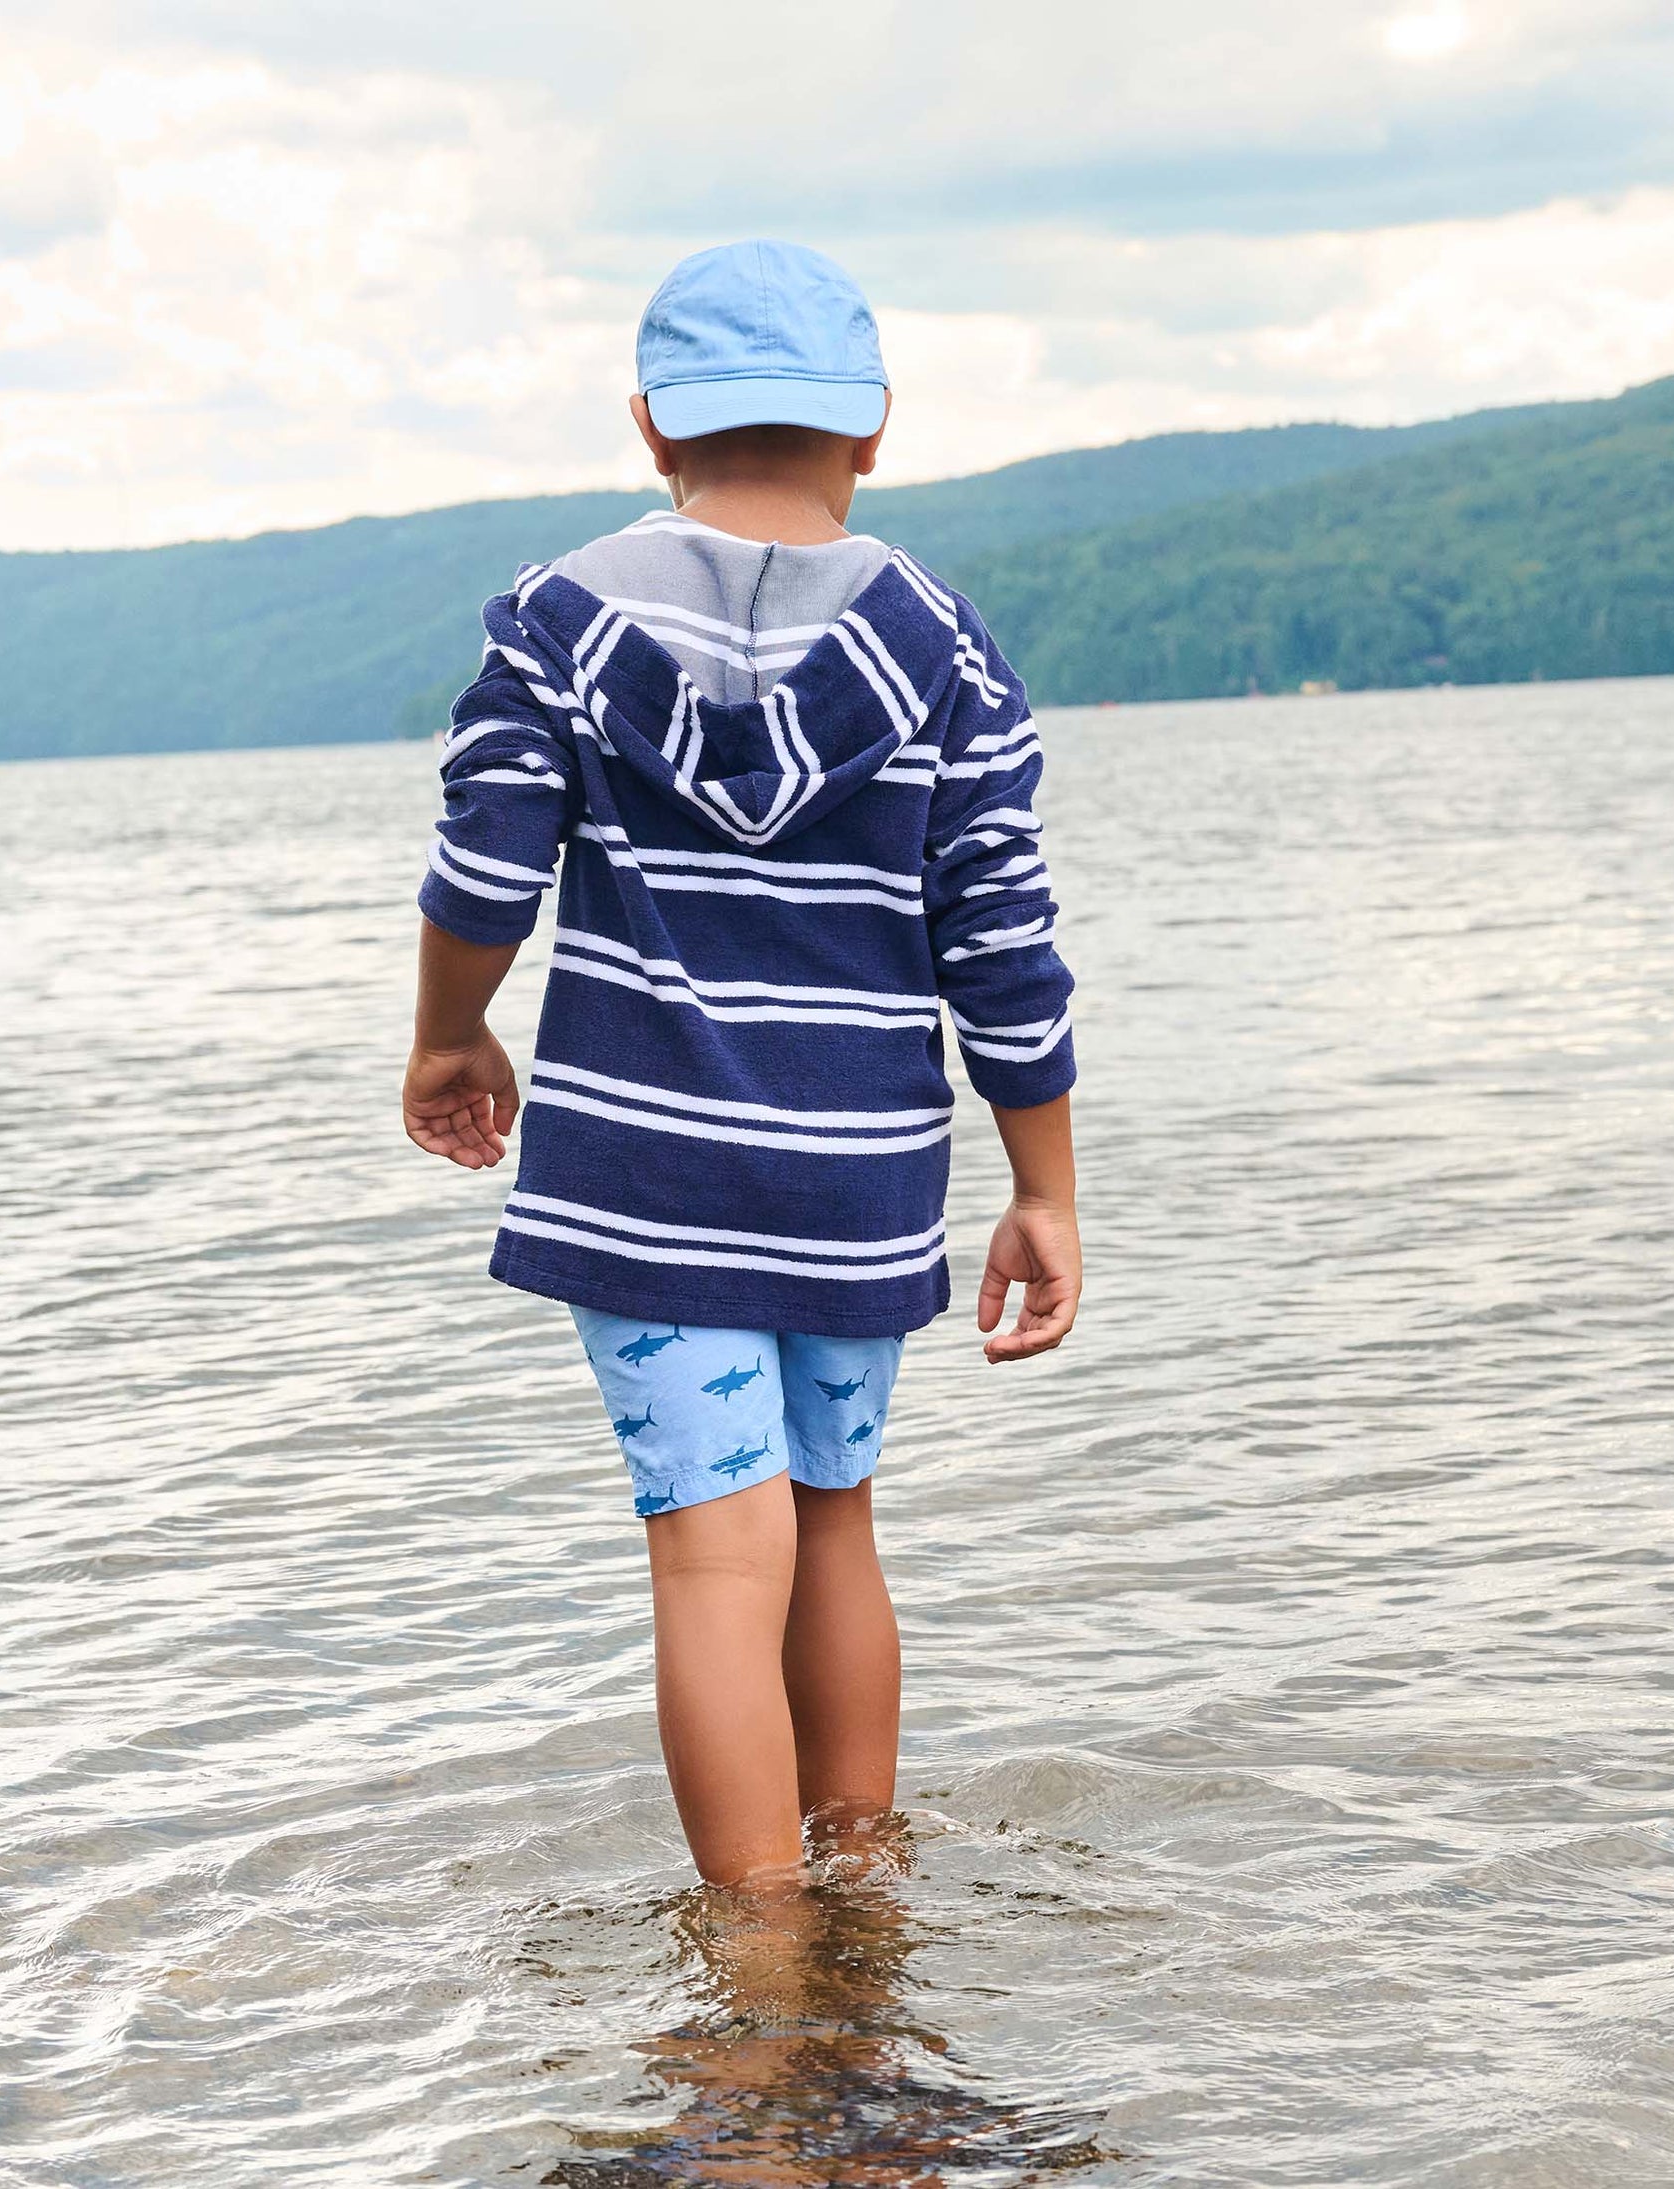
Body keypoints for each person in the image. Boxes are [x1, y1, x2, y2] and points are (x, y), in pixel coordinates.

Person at [402, 239, 1081, 1889]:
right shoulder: (937, 643)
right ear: (873, 430)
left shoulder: (560, 621)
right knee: (833, 1520)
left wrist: (446, 1031)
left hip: (647, 1175)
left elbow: (484, 867)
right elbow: (1000, 932)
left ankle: (760, 1960)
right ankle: (863, 1890)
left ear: (650, 427)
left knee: (718, 1560)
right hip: (857, 1172)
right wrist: (1042, 1184)